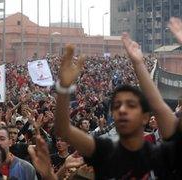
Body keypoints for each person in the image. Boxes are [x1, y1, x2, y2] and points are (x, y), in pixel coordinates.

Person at [54, 41, 180, 179]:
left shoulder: (162, 155)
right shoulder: (105, 151)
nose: (122, 110)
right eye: (117, 105)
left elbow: (159, 106)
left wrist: (138, 65)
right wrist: (64, 88)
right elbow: (64, 130)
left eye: (131, 105)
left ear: (145, 117)